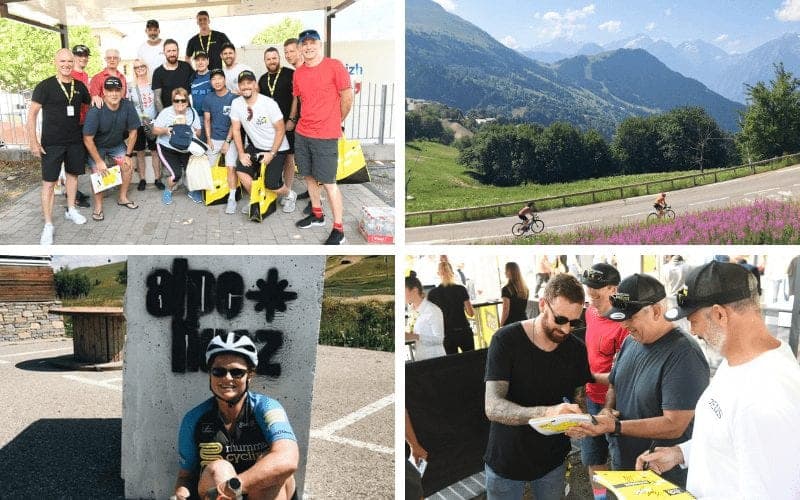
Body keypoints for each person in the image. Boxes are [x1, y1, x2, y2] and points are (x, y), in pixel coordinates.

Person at [626, 261, 800, 498]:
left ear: (720, 315)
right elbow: (731, 441)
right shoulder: (738, 361)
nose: (693, 331)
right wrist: (680, 453)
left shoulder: (767, 398)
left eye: (693, 320)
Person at [567, 273, 709, 489]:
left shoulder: (684, 353)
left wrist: (615, 426)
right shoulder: (632, 341)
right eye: (621, 317)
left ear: (656, 311)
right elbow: (615, 383)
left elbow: (674, 425)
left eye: (630, 317)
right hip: (624, 463)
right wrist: (607, 409)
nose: (624, 325)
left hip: (660, 473)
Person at [484, 273, 591, 500]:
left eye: (575, 322)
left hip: (552, 462)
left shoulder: (576, 349)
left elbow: (579, 399)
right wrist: (547, 413)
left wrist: (579, 420)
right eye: (560, 320)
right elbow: (492, 406)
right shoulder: (506, 340)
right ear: (542, 304)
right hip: (507, 460)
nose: (566, 330)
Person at [173, 332, 298, 500]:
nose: (227, 378)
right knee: (218, 469)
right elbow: (185, 477)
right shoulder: (194, 418)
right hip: (216, 493)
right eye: (218, 371)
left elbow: (287, 459)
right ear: (210, 374)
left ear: (250, 375)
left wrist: (233, 486)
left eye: (237, 372)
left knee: (268, 469)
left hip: (256, 493)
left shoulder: (267, 408)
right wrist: (181, 494)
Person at [290, 28, 353, 245]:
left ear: (320, 44)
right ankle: (317, 214)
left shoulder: (334, 66)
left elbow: (347, 97)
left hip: (325, 135)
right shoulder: (298, 73)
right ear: (300, 47)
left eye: (312, 43)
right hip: (303, 132)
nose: (308, 47)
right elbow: (300, 100)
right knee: (307, 176)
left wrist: (336, 121)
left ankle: (339, 229)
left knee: (329, 182)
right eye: (304, 44)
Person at [27, 48, 92, 245]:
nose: (66, 65)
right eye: (62, 61)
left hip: (74, 141)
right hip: (51, 143)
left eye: (70, 61)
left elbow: (91, 104)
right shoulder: (44, 86)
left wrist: (97, 97)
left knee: (72, 177)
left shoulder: (80, 86)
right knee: (49, 183)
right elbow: (32, 115)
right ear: (56, 62)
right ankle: (48, 224)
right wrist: (33, 142)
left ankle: (71, 209)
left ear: (74, 63)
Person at [578, 263, 629, 500]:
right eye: (589, 290)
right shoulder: (590, 312)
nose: (591, 297)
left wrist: (608, 407)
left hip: (618, 406)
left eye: (596, 292)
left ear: (613, 289)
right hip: (591, 398)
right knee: (593, 458)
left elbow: (624, 376)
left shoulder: (624, 324)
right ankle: (600, 499)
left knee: (620, 463)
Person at [229, 70, 290, 217]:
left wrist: (272, 153)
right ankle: (256, 199)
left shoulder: (268, 103)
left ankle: (290, 195)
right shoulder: (236, 103)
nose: (246, 87)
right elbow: (236, 130)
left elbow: (281, 130)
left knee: (271, 184)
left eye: (249, 83)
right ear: (239, 86)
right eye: (242, 84)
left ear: (255, 84)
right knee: (241, 170)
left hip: (277, 147)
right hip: (256, 147)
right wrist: (242, 153)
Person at [83, 76, 140, 221]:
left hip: (116, 144)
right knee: (98, 172)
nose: (114, 94)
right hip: (97, 146)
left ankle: (122, 197)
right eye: (110, 90)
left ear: (122, 92)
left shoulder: (127, 106)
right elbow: (87, 139)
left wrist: (128, 155)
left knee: (127, 165)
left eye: (117, 90)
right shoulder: (96, 110)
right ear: (103, 91)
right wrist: (99, 161)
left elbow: (133, 132)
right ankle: (98, 206)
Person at [258, 46, 298, 213]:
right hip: (270, 127)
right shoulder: (262, 79)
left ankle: (288, 192)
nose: (272, 61)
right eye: (268, 59)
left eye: (274, 58)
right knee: (272, 157)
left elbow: (296, 97)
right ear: (265, 61)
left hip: (287, 124)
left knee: (289, 158)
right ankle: (275, 188)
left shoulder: (290, 74)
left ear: (279, 58)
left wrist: (292, 118)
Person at [152, 87, 202, 205]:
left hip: (185, 149)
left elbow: (199, 132)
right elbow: (154, 130)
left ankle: (192, 191)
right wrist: (166, 130)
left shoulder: (192, 112)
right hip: (167, 147)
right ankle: (168, 191)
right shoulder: (166, 112)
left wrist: (189, 131)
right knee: (176, 175)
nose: (180, 103)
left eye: (183, 100)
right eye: (176, 100)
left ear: (187, 101)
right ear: (172, 101)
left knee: (192, 172)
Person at [203, 68, 239, 214]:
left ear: (224, 80)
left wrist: (227, 141)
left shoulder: (233, 98)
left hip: (230, 139)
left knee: (231, 167)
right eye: (213, 79)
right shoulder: (208, 98)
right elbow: (207, 120)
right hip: (214, 139)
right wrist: (208, 139)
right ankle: (213, 193)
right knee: (209, 168)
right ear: (211, 82)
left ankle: (232, 198)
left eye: (219, 78)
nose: (217, 81)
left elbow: (235, 123)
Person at [127, 59, 165, 191]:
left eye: (142, 66)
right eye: (137, 67)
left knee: (155, 151)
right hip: (138, 123)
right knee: (140, 152)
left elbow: (158, 101)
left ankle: (157, 178)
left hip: (152, 121)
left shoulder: (152, 84)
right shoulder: (131, 86)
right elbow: (129, 105)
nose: (140, 69)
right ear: (134, 70)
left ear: (146, 67)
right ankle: (142, 179)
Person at [427, 261, 475, 354]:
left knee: (452, 365)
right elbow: (471, 313)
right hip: (464, 331)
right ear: (452, 272)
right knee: (471, 362)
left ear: (438, 274)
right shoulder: (461, 289)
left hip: (446, 335)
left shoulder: (433, 294)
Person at [67, 44, 93, 208]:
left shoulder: (84, 75)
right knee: (73, 160)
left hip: (85, 121)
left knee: (79, 159)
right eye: (79, 55)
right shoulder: (71, 75)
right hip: (73, 124)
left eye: (85, 55)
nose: (83, 58)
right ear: (73, 57)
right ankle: (72, 195)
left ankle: (73, 191)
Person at [404, 273, 446, 360]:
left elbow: (439, 339)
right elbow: (411, 332)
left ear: (414, 290)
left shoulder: (432, 310)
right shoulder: (411, 310)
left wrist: (415, 336)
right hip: (420, 357)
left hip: (435, 359)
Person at [152, 39, 194, 112]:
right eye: (169, 51)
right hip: (169, 114)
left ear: (178, 51)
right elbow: (157, 99)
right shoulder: (158, 72)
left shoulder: (186, 67)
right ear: (164, 52)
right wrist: (164, 117)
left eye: (174, 50)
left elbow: (196, 84)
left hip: (187, 112)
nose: (172, 54)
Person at [500, 262, 529, 326]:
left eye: (506, 270)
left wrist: (501, 325)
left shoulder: (506, 289)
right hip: (524, 322)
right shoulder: (525, 289)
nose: (504, 272)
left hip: (511, 323)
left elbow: (505, 310)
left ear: (510, 272)